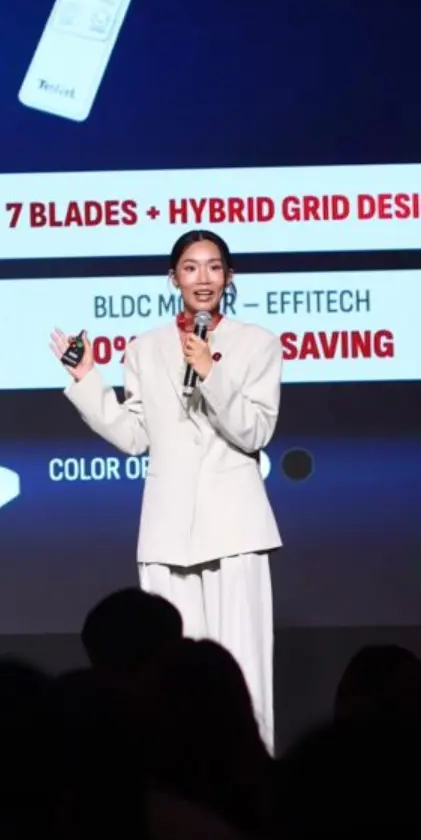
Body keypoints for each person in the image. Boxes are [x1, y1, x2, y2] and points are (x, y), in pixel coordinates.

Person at [52, 228, 282, 748]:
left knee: (243, 669)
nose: (203, 278)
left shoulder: (258, 344)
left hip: (235, 527)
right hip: (167, 529)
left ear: (229, 277)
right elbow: (134, 436)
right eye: (191, 267)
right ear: (173, 278)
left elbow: (255, 432)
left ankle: (254, 768)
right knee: (169, 674)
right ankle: (176, 772)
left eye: (214, 267)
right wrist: (87, 378)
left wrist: (210, 372)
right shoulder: (145, 348)